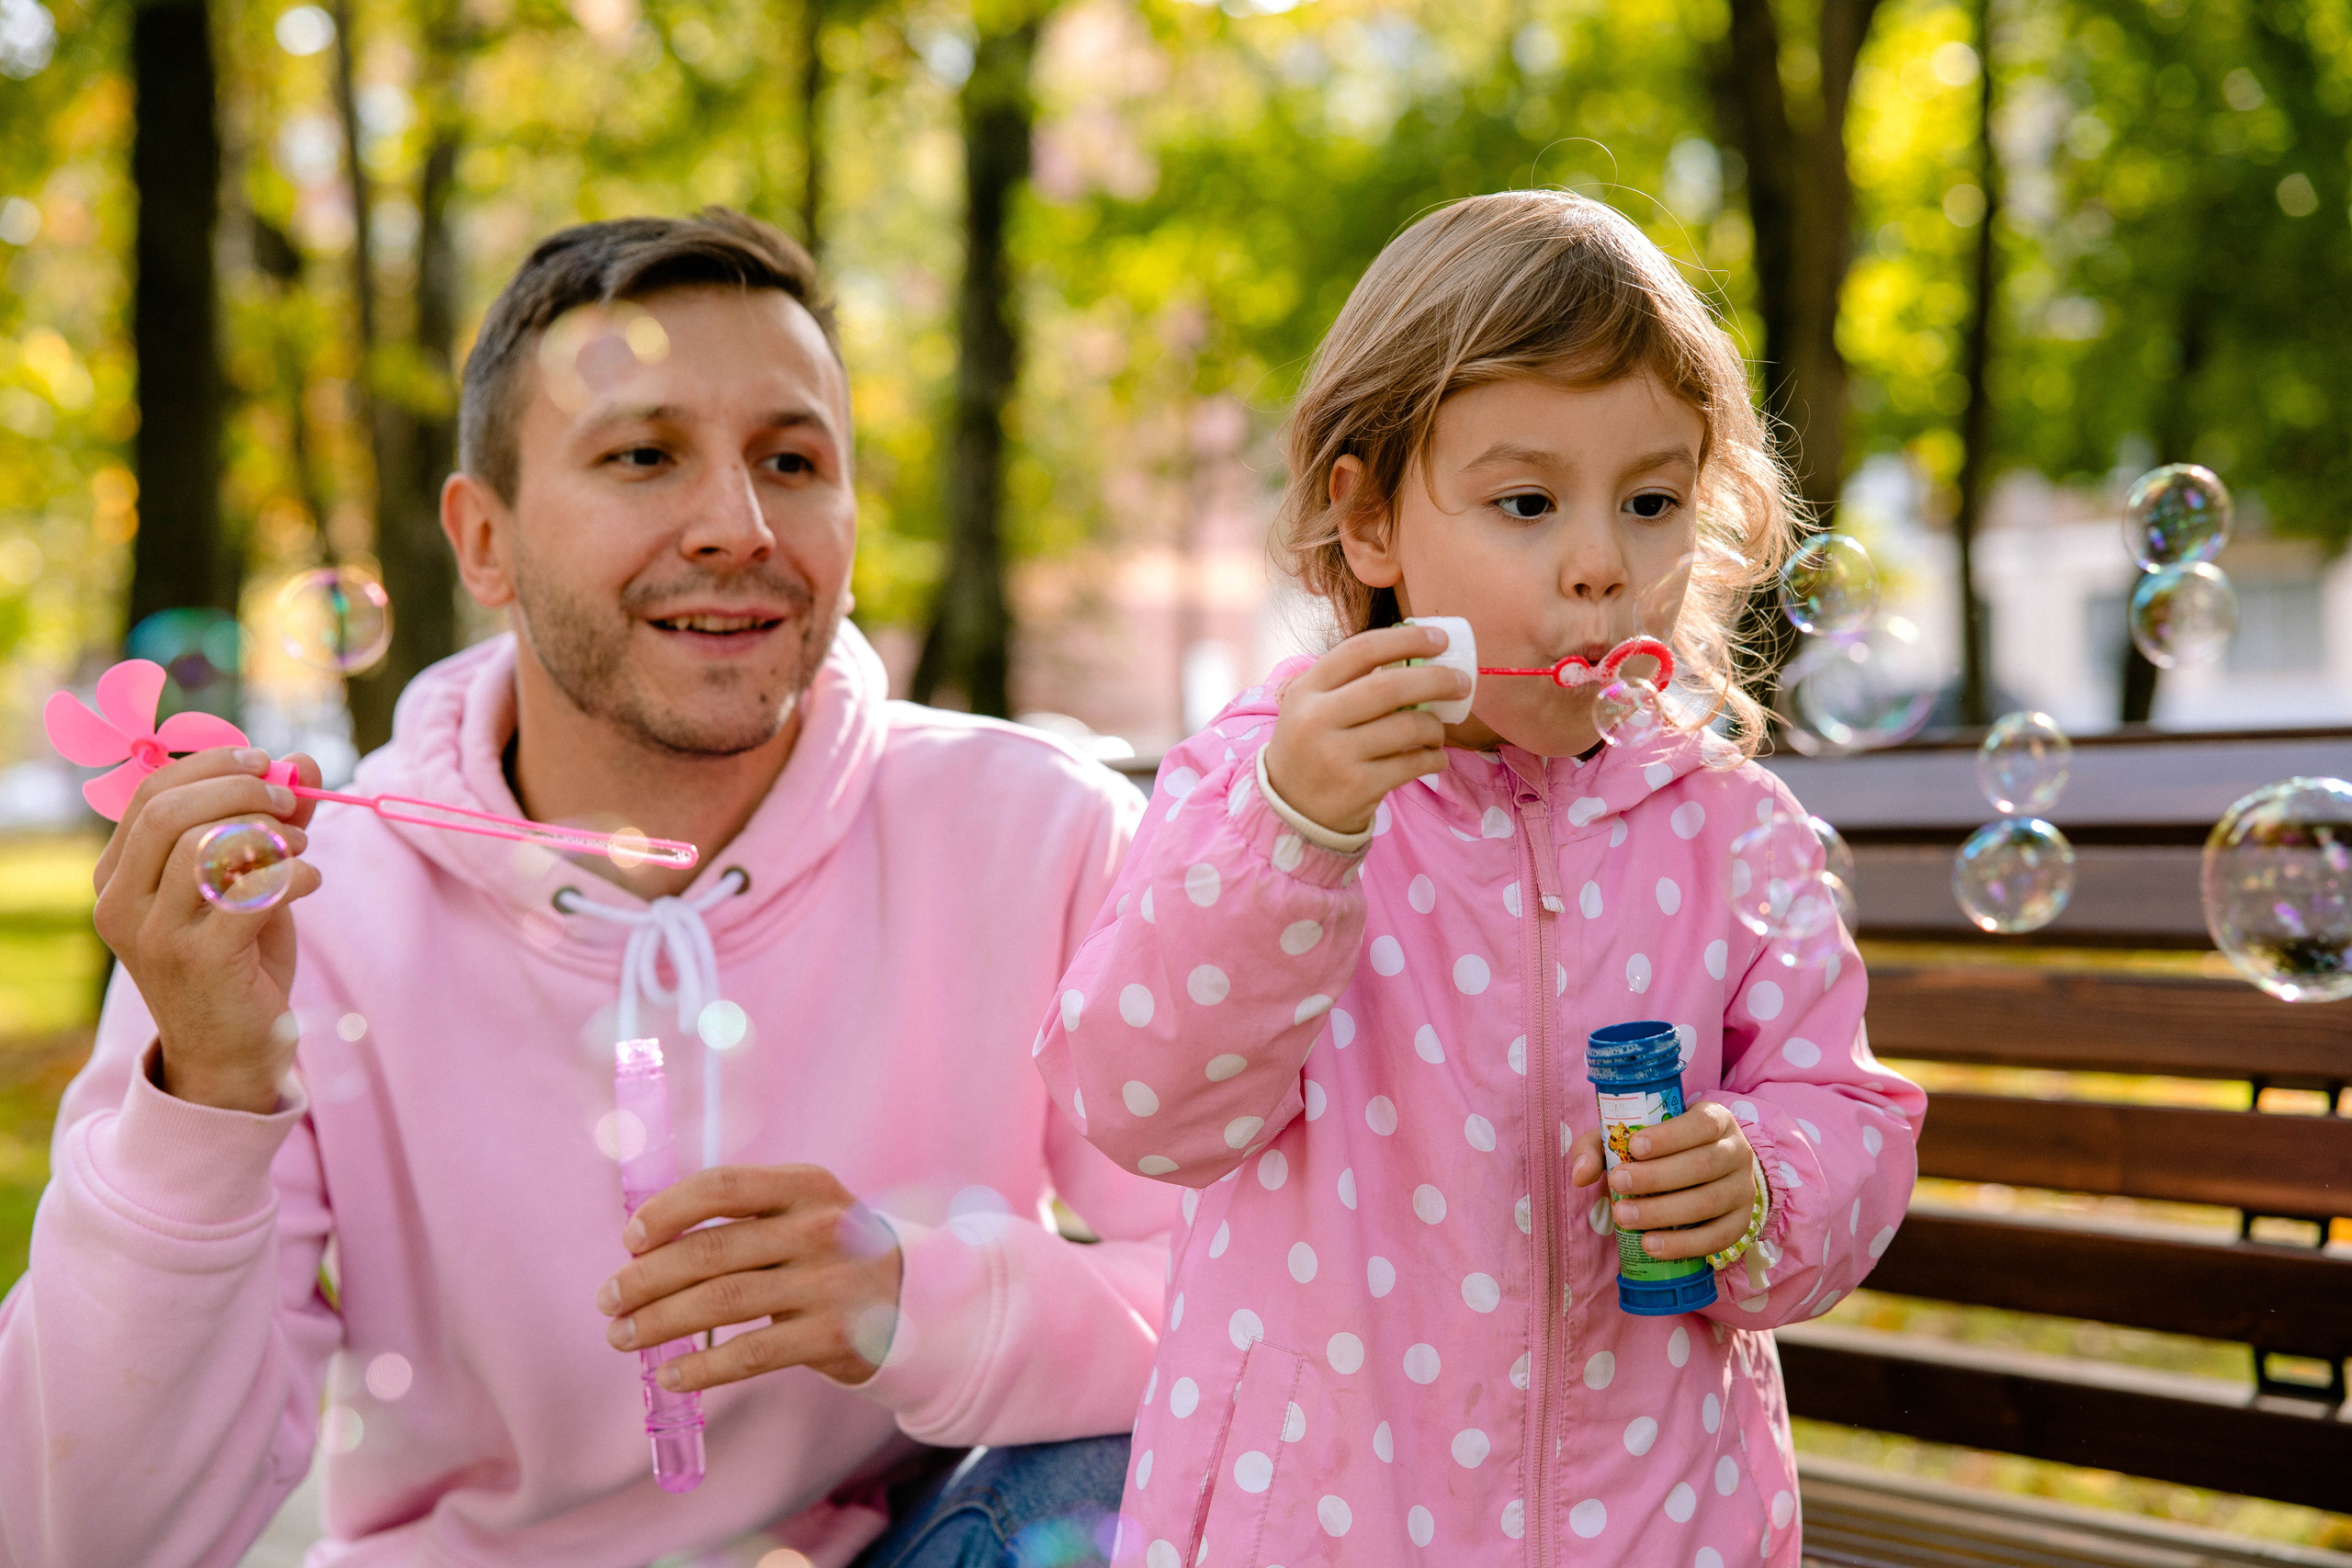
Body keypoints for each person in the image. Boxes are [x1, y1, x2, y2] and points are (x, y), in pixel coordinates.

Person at [0, 210, 1169, 1567]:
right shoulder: (296, 910)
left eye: (791, 461)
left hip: (914, 1544)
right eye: (642, 455)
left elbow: (1266, 1301)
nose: (737, 527)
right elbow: (82, 1534)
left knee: (1126, 1479)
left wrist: (922, 1299)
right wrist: (202, 1097)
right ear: (483, 539)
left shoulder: (1041, 832)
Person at [1035, 191, 1927, 1567]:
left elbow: (1850, 1112)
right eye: (1526, 501)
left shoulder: (1725, 825)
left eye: (1652, 502)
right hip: (1326, 1520)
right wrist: (1299, 837)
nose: (1599, 568)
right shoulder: (1263, 788)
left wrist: (1761, 1182)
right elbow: (1139, 1109)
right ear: (1373, 519)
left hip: (1660, 1521)